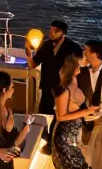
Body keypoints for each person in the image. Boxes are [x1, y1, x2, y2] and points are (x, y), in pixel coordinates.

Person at [49, 54, 100, 169]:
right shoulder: (64, 90)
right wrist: (86, 111)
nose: (83, 64)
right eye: (81, 63)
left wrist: (89, 114)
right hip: (63, 138)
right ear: (74, 68)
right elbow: (61, 116)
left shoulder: (75, 84)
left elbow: (76, 112)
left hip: (73, 136)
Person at [24, 20, 83, 153]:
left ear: (63, 33)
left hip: (63, 88)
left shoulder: (73, 47)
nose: (51, 33)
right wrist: (29, 54)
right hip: (47, 86)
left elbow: (79, 67)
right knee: (45, 114)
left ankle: (55, 144)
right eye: (50, 30)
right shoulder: (46, 46)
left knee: (59, 117)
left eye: (55, 31)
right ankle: (47, 140)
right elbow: (33, 65)